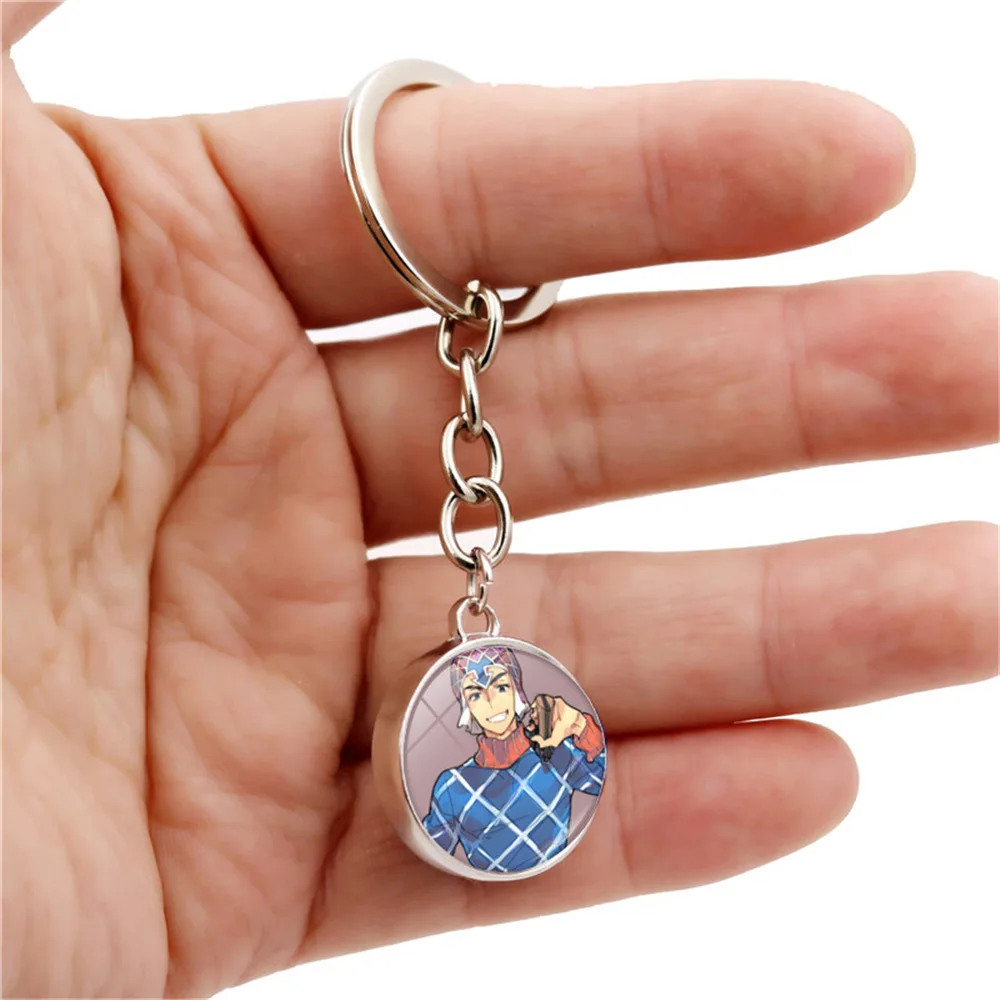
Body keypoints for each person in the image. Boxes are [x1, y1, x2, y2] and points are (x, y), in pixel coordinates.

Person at [2, 2, 996, 998]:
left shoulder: (546, 751)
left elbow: (560, 758)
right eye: (483, 693)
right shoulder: (455, 780)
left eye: (493, 693)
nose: (493, 699)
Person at [422, 645, 605, 873]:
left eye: (500, 687)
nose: (491, 702)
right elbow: (429, 860)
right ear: (466, 708)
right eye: (476, 695)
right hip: (486, 891)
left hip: (562, 878)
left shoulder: (555, 752)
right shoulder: (452, 786)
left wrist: (580, 725)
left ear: (516, 692)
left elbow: (603, 780)